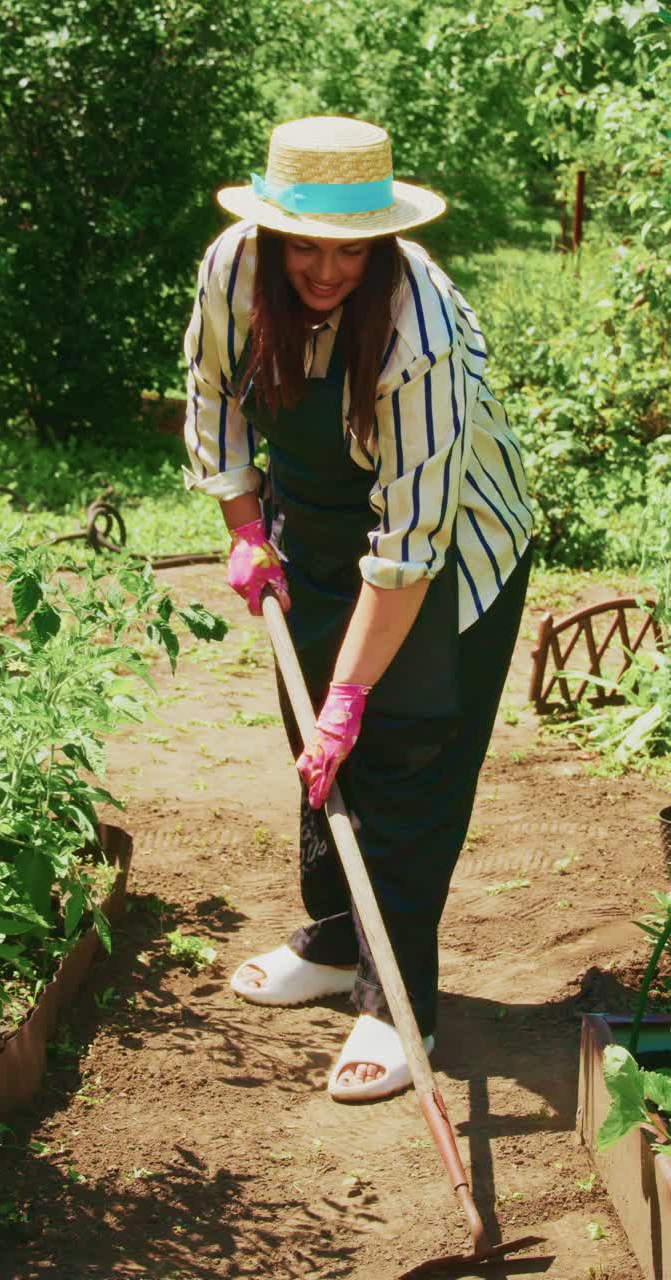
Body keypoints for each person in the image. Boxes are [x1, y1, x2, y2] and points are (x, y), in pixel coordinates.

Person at [182, 116, 533, 1103]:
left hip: (450, 556)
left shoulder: (418, 333)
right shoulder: (234, 271)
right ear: (271, 232)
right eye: (307, 243)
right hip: (315, 529)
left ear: (381, 241)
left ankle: (397, 1002)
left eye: (350, 248)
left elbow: (412, 547)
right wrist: (247, 526)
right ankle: (337, 941)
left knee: (404, 752)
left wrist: (353, 698)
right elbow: (215, 397)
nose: (326, 269)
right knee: (315, 741)